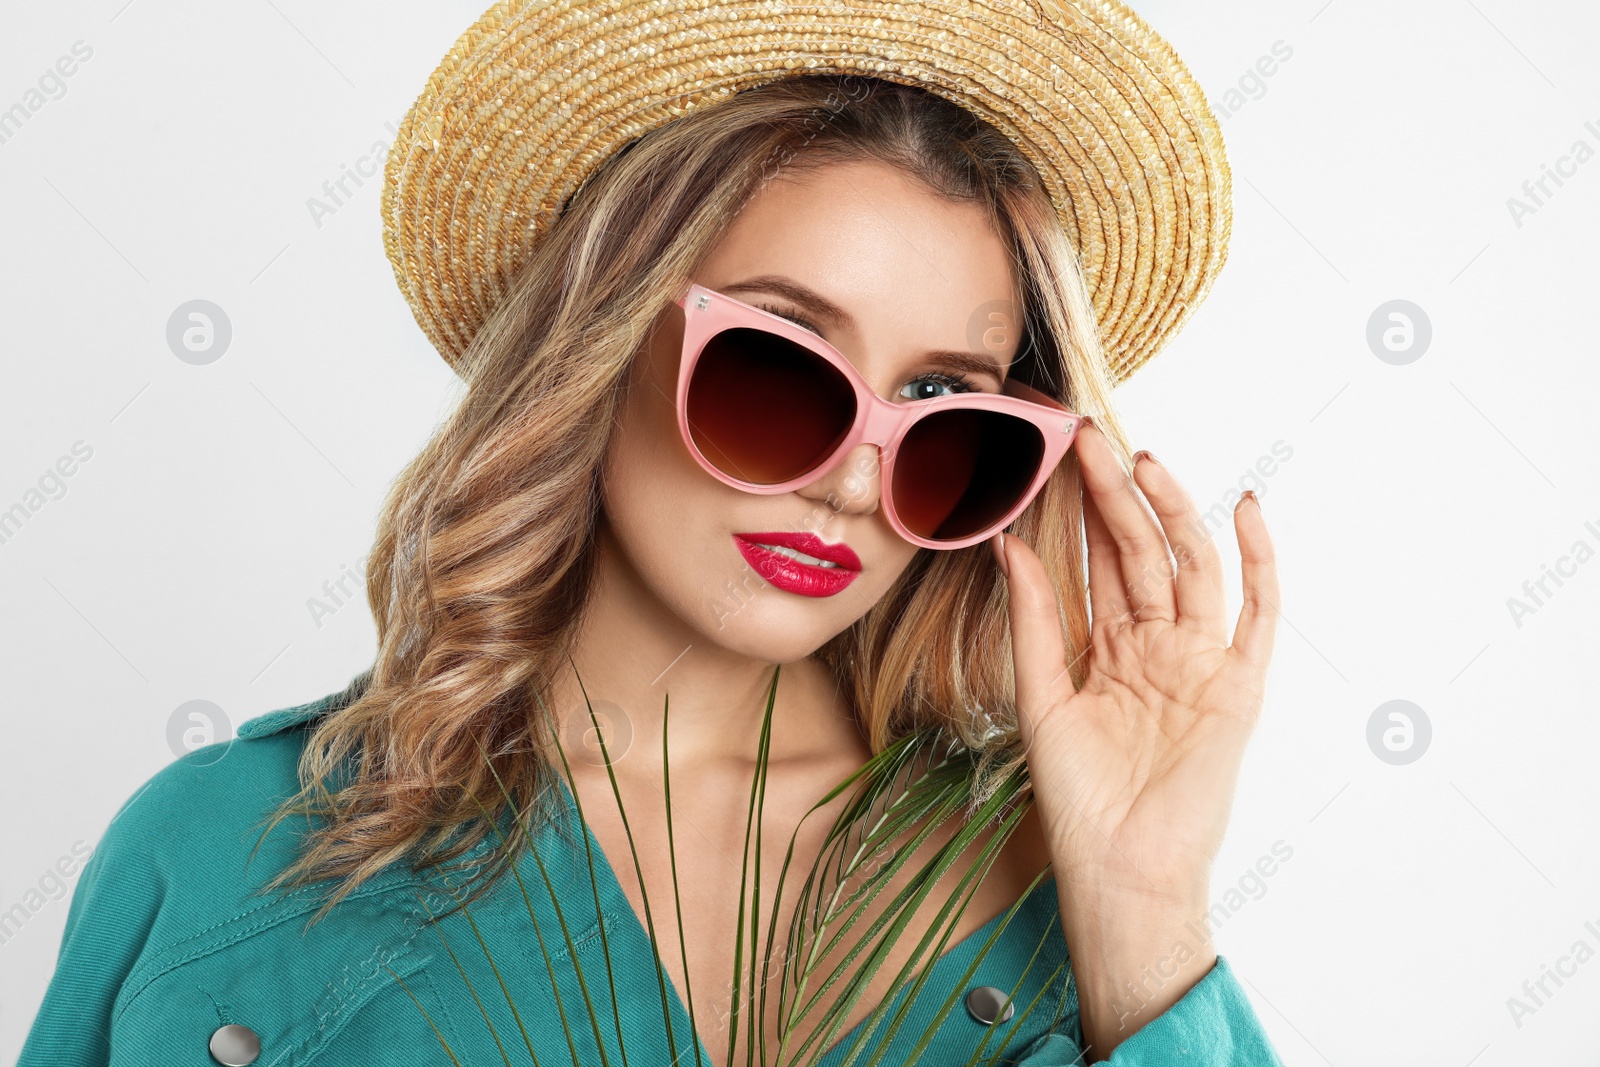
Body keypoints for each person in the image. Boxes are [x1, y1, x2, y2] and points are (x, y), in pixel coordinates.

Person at [18, 3, 1286, 1064]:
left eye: (943, 412)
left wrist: (1142, 910)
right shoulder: (226, 854)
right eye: (780, 369)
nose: (854, 480)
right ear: (599, 353)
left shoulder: (1053, 879)